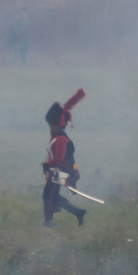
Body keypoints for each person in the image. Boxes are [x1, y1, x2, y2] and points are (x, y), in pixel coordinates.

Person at [42, 89, 86, 226]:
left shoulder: (60, 140)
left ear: (57, 124)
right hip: (58, 172)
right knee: (51, 196)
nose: (50, 128)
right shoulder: (58, 137)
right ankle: (78, 212)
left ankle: (48, 224)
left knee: (49, 196)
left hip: (60, 173)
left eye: (51, 125)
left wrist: (48, 166)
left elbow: (59, 160)